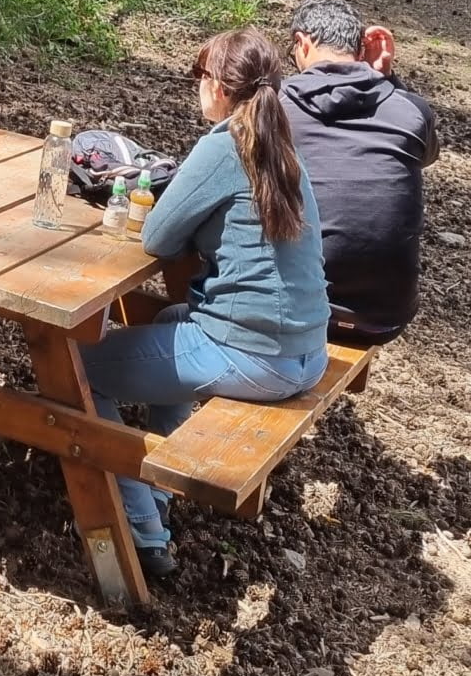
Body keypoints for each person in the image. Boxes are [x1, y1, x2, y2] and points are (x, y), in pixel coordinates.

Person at [82, 28, 331, 579]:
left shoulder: (225, 144)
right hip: (307, 352)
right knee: (174, 318)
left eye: (200, 77)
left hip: (253, 356)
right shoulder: (280, 146)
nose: (196, 87)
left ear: (219, 87)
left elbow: (156, 238)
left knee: (76, 372)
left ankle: (143, 528)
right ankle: (159, 489)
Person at [284, 0, 440, 345]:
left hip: (295, 308)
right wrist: (387, 78)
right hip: (383, 318)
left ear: (302, 43)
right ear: (360, 49)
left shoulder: (273, 107)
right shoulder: (410, 110)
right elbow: (425, 155)